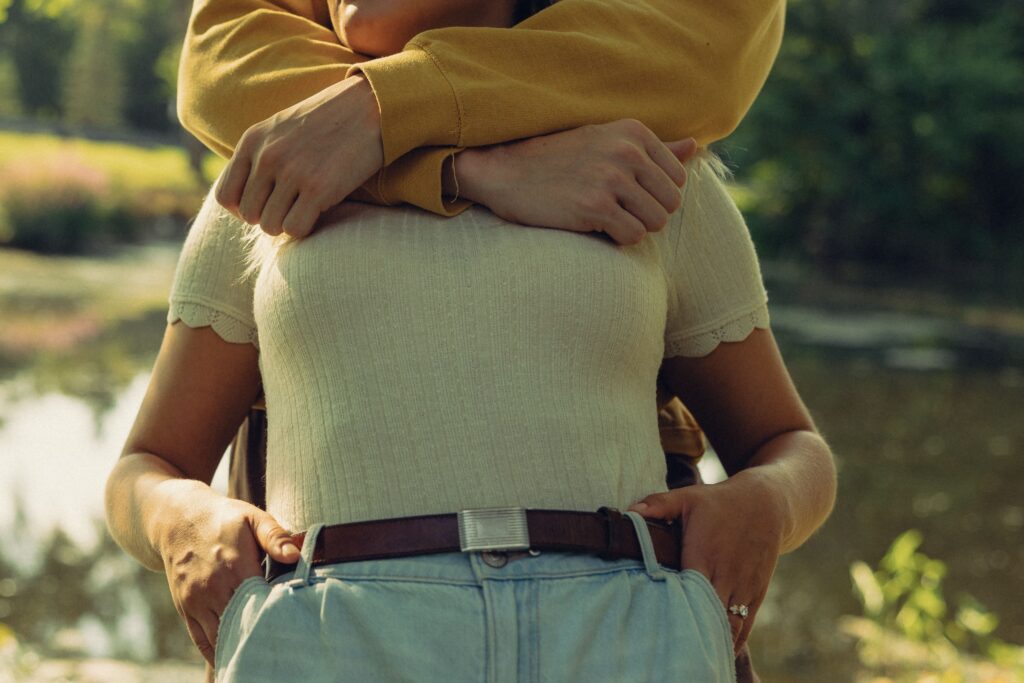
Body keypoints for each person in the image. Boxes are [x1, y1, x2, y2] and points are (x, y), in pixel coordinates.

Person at [106, 0, 831, 679]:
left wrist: (764, 503)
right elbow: (149, 462)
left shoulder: (639, 167)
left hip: (618, 636)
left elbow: (789, 444)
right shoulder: (281, 171)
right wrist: (179, 519)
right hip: (335, 642)